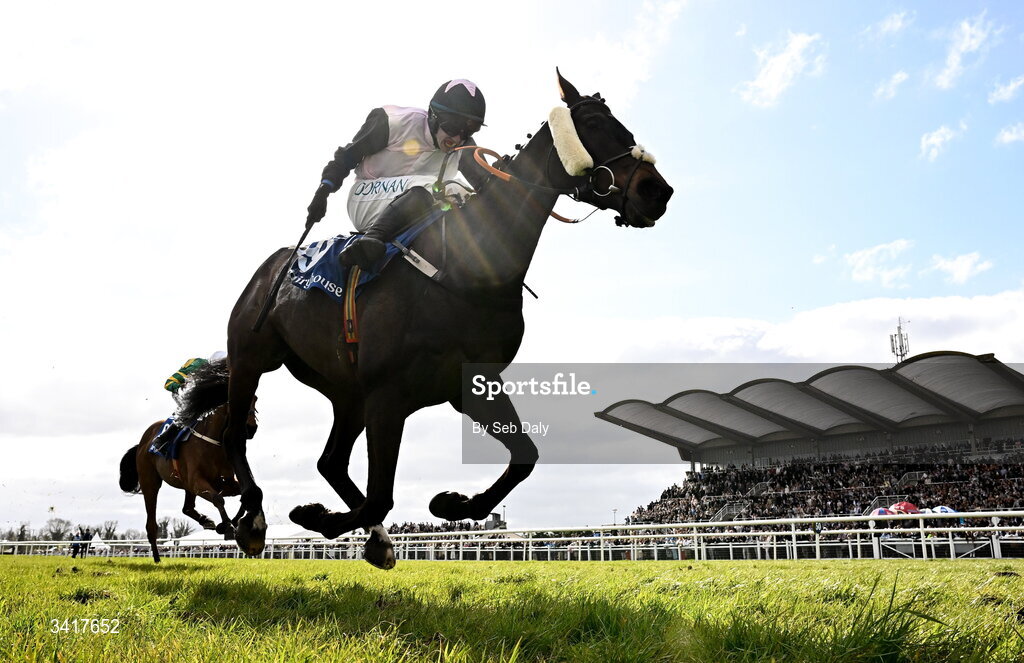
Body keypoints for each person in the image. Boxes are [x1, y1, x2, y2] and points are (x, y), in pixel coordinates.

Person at [305, 79, 490, 271]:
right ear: (433, 116)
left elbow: (487, 186)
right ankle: (371, 240)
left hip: (421, 207)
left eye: (468, 131)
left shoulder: (465, 147)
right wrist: (323, 191)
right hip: (366, 199)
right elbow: (347, 157)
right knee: (444, 186)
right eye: (452, 128)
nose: (458, 138)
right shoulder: (392, 121)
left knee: (465, 194)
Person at [153, 351, 227, 450]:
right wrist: (182, 386)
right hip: (187, 396)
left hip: (209, 399)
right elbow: (169, 383)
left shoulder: (227, 373)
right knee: (191, 411)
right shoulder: (197, 364)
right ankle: (162, 439)